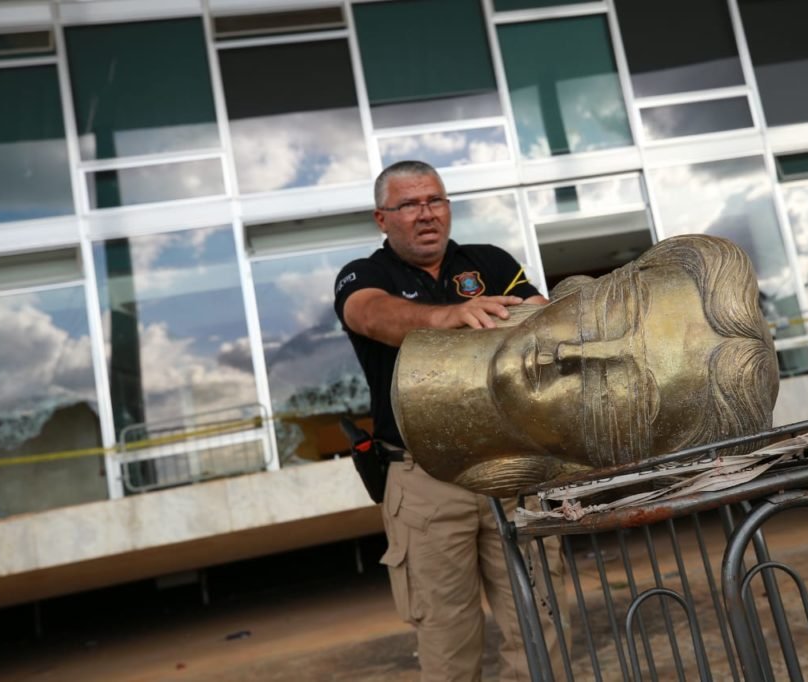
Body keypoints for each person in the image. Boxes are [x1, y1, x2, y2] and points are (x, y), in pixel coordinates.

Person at [334, 160, 560, 682]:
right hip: (423, 479)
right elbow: (370, 315)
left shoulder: (490, 262)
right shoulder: (364, 276)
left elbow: (543, 321)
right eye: (409, 205)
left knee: (541, 629)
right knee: (448, 644)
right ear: (381, 219)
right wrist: (445, 317)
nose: (425, 214)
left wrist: (551, 317)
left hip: (511, 468)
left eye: (435, 200)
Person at [393, 233, 780, 497]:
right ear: (581, 288)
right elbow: (365, 309)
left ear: (599, 463)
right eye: (606, 315)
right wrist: (438, 318)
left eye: (617, 397)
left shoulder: (488, 261)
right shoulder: (381, 271)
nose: (572, 354)